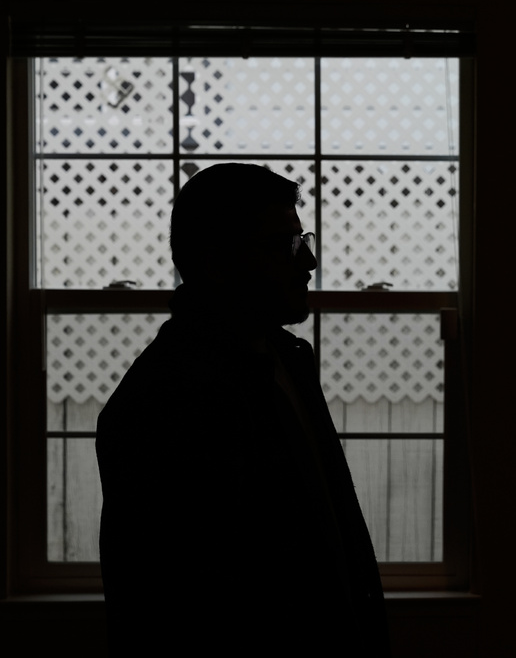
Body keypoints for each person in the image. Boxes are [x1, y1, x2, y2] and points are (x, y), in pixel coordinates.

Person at [96, 163, 390, 656]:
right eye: (284, 245)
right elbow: (176, 605)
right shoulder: (163, 402)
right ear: (216, 262)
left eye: (304, 239)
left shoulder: (290, 361)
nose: (310, 261)